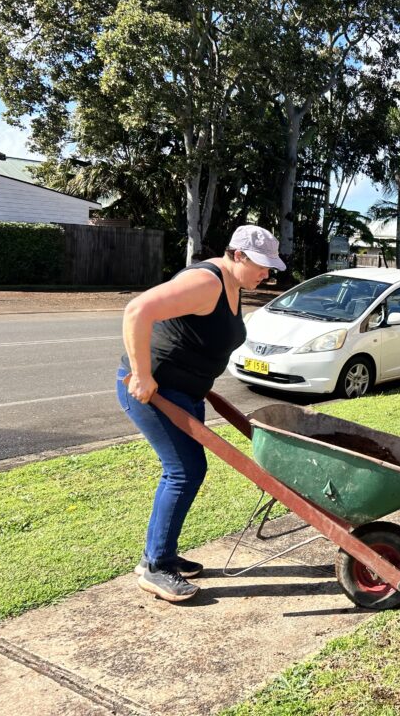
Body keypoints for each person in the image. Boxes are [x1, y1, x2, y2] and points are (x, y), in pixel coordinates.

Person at [117, 225, 284, 602]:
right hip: (154, 391)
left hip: (187, 391)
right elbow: (137, 310)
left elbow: (197, 335)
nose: (267, 274)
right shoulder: (206, 282)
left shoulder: (233, 285)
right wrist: (142, 375)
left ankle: (162, 553)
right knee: (184, 470)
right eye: (262, 265)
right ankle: (155, 566)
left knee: (187, 470)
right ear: (238, 255)